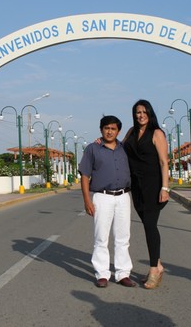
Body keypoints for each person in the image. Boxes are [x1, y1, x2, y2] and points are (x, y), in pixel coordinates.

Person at [79, 115, 135, 288]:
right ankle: (102, 273)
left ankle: (122, 273)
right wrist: (87, 200)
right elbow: (85, 176)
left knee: (123, 237)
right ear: (101, 129)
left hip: (124, 197)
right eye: (106, 128)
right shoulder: (92, 149)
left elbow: (135, 131)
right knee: (101, 237)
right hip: (102, 197)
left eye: (113, 128)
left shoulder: (124, 148)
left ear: (118, 131)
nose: (109, 131)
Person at [122, 99, 170, 289]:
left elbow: (164, 162)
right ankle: (158, 264)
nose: (140, 115)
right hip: (136, 186)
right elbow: (120, 148)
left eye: (143, 112)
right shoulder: (131, 132)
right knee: (146, 224)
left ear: (149, 113)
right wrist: (103, 141)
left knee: (150, 226)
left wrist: (164, 189)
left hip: (153, 185)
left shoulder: (157, 133)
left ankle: (153, 269)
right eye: (137, 112)